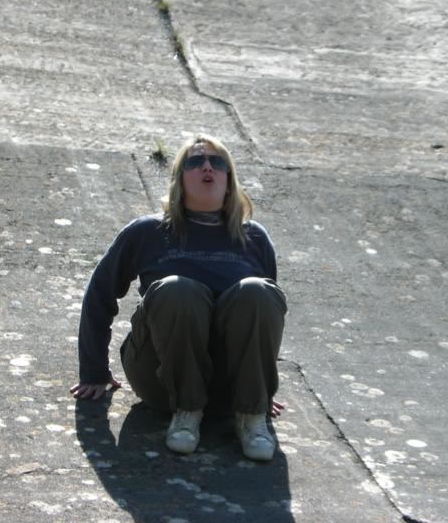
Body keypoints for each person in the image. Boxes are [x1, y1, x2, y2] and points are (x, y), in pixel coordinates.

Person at [70, 134, 287, 461]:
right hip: (159, 378)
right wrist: (94, 371)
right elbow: (100, 293)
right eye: (195, 161)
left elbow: (266, 321)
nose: (207, 167)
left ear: (229, 179)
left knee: (258, 291)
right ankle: (187, 411)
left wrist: (259, 388)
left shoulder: (254, 238)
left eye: (217, 162)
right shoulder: (147, 232)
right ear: (178, 179)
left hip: (227, 386)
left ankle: (250, 417)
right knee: (178, 289)